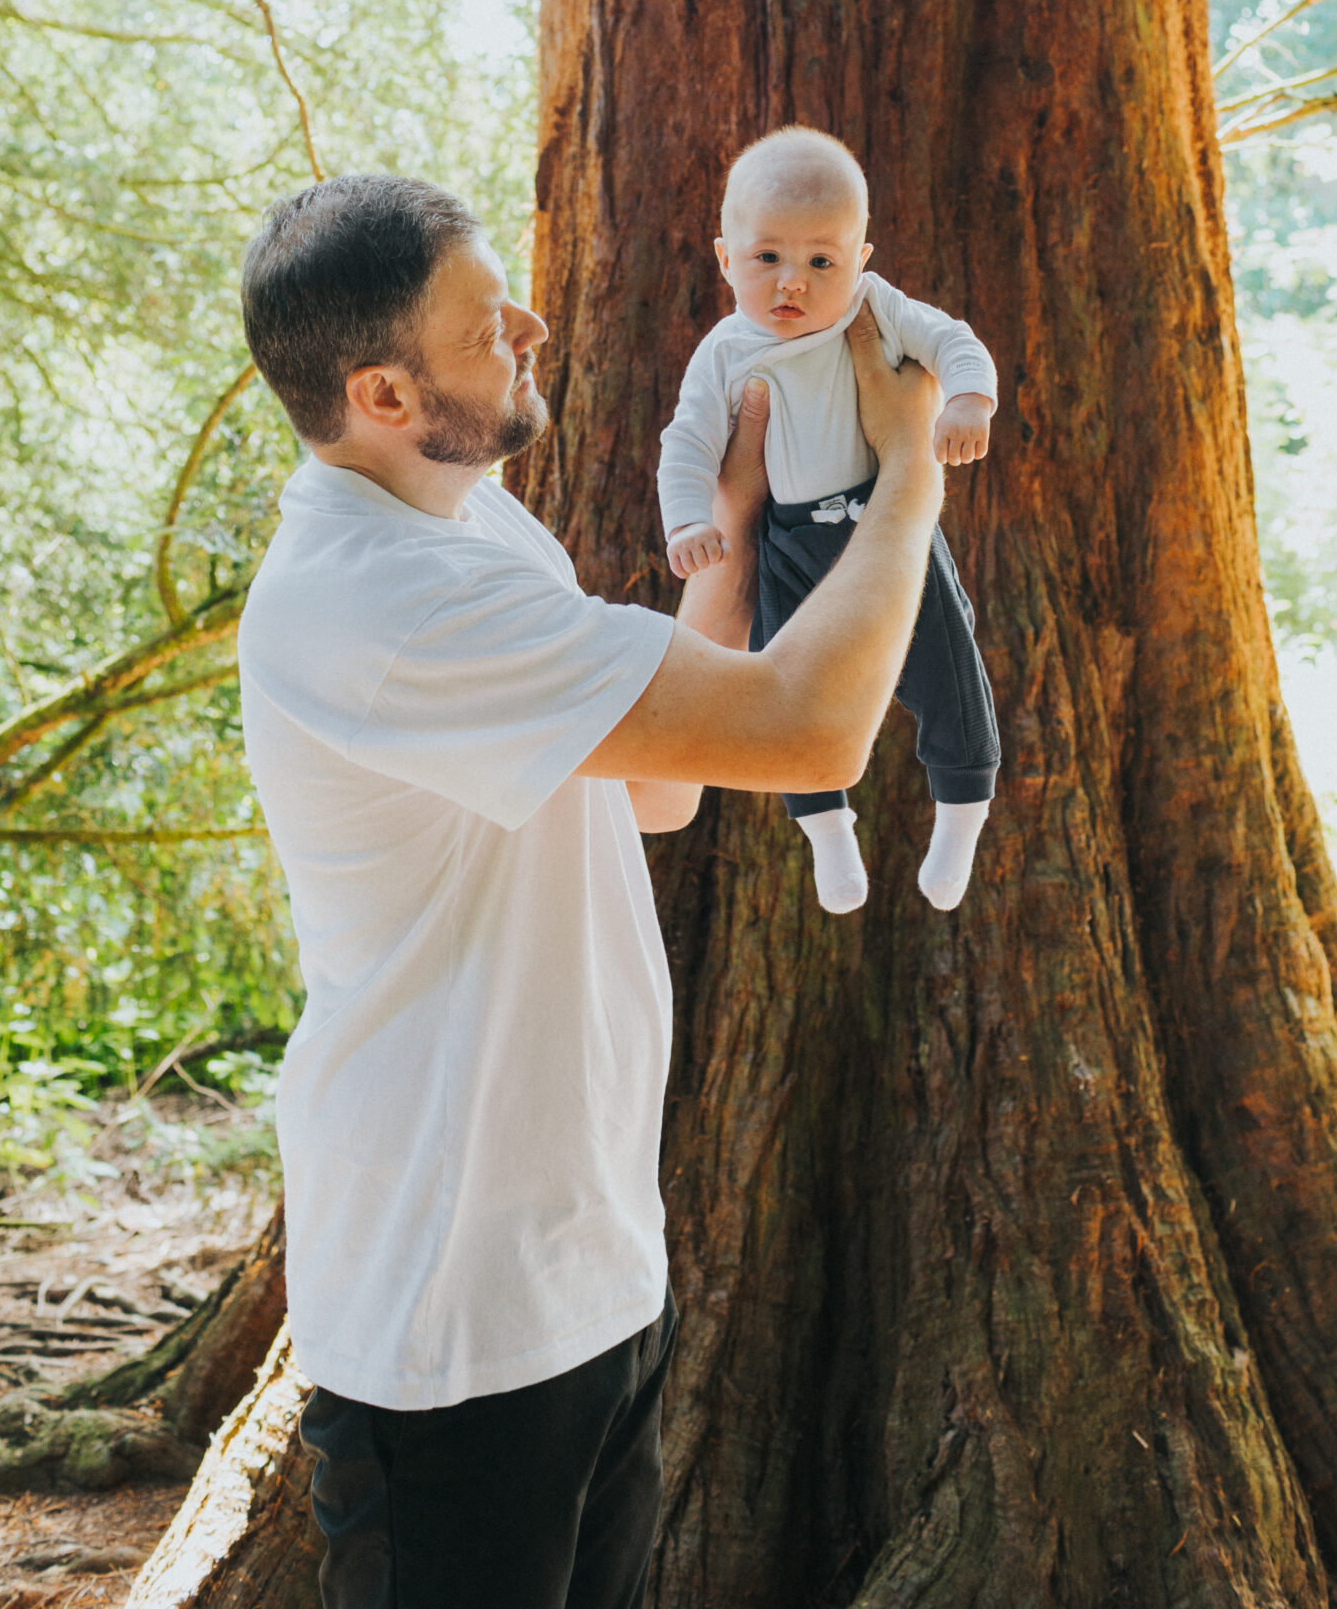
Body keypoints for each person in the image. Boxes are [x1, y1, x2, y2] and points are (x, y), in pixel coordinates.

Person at [234, 170, 946, 1609]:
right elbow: (808, 733)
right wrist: (908, 464)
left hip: (584, 1268)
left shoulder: (475, 523)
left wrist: (734, 528)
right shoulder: (378, 599)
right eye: (482, 321)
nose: (531, 324)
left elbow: (656, 790)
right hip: (447, 1325)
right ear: (381, 391)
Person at [656, 127, 1002, 918]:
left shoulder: (874, 310)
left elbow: (953, 341)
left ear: (861, 260)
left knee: (944, 664)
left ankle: (960, 814)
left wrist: (966, 399)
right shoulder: (723, 352)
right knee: (787, 687)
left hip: (881, 526)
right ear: (724, 257)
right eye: (766, 258)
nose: (793, 283)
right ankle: (826, 832)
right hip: (788, 540)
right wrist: (687, 522)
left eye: (822, 261)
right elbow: (687, 444)